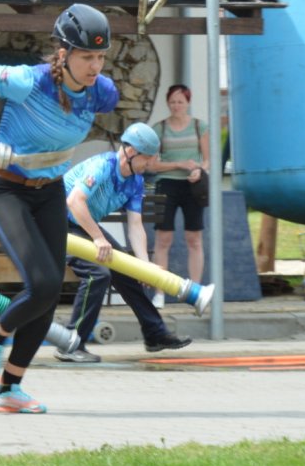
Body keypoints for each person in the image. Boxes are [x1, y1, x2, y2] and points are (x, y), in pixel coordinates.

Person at [0, 2, 119, 414]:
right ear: (63, 53)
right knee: (41, 284)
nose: (95, 66)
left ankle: (9, 390)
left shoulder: (103, 93)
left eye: (100, 57)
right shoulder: (27, 81)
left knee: (48, 295)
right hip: (7, 190)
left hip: (50, 192)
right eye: (86, 57)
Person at [55, 122, 192, 363]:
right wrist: (98, 237)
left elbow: (136, 225)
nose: (151, 164)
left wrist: (144, 266)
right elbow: (75, 201)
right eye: (147, 158)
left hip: (81, 224)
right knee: (97, 274)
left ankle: (155, 334)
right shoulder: (102, 166)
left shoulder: (135, 181)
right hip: (57, 222)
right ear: (130, 152)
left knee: (129, 271)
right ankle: (71, 343)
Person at [147, 84, 208, 306]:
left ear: (188, 103)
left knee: (194, 238)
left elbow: (208, 159)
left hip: (193, 186)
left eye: (180, 101)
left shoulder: (200, 126)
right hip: (167, 185)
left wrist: (199, 170)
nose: (176, 106)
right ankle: (160, 293)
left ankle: (196, 291)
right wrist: (179, 164)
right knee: (163, 239)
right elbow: (152, 165)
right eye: (172, 101)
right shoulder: (159, 128)